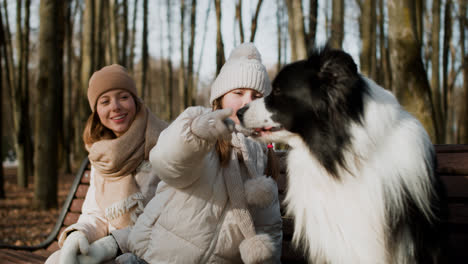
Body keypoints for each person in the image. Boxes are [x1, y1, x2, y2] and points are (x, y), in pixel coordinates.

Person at [79, 43, 283, 264]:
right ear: (220, 98)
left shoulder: (263, 159)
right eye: (238, 93)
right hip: (153, 256)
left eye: (256, 95)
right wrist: (196, 133)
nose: (247, 102)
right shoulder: (200, 135)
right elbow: (167, 161)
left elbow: (268, 227)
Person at [45, 64, 168, 264]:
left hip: (154, 252)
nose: (115, 107)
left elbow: (167, 219)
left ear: (135, 101)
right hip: (111, 250)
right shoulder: (101, 156)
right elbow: (95, 214)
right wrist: (79, 234)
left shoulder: (165, 143)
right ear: (97, 111)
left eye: (123, 97)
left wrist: (111, 245)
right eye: (105, 101)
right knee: (56, 260)